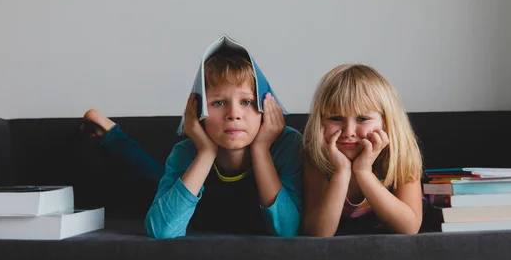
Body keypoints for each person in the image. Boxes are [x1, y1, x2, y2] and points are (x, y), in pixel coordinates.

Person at [83, 47, 302, 239]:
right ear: (199, 113)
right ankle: (112, 135)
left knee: (152, 175)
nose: (234, 113)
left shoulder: (286, 145)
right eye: (218, 103)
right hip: (202, 211)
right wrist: (206, 152)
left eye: (246, 102)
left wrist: (261, 149)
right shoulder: (187, 152)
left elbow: (287, 230)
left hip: (246, 208)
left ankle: (112, 135)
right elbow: (161, 230)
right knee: (149, 179)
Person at [302, 64, 423, 236]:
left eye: (362, 118)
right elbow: (318, 233)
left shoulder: (402, 153)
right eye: (336, 118)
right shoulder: (316, 157)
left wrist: (363, 172)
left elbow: (409, 228)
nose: (349, 132)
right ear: (320, 122)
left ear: (386, 121)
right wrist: (342, 173)